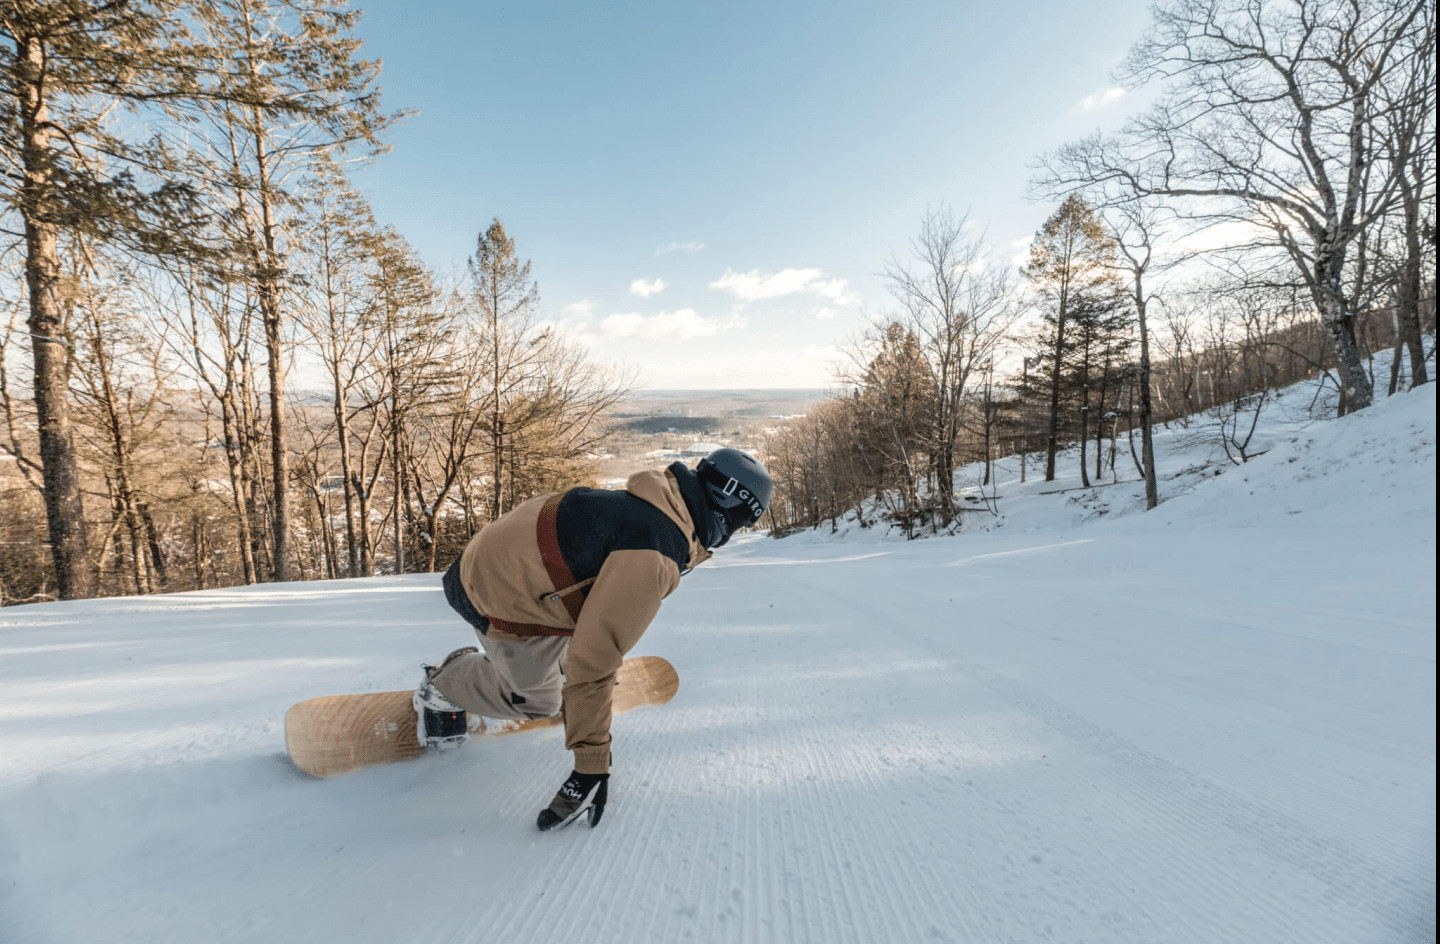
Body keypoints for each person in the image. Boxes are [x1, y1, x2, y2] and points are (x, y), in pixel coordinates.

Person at [414, 447, 773, 831]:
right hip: (495, 595)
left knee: (588, 642)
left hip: (515, 571)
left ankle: (556, 665)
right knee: (541, 701)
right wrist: (591, 766)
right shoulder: (655, 550)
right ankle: (443, 686)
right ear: (728, 512)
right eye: (742, 525)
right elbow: (594, 660)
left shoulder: (657, 500)